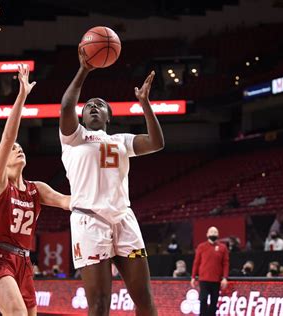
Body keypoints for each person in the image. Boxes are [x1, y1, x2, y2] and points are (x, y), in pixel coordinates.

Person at [59, 48, 164, 315]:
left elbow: (156, 143)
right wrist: (84, 70)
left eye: (100, 105)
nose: (93, 107)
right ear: (81, 117)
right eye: (89, 106)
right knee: (99, 305)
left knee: (146, 302)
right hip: (89, 221)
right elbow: (66, 105)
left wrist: (145, 104)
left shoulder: (120, 141)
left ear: (109, 116)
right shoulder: (74, 137)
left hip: (124, 220)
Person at [0, 64, 70, 316]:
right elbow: (7, 138)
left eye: (21, 147)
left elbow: (66, 202)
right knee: (16, 313)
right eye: (14, 149)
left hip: (24, 261)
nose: (18, 148)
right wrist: (21, 97)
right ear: (2, 160)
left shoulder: (36, 189)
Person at [191, 226, 229, 316]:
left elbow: (226, 263)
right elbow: (196, 262)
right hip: (204, 279)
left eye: (215, 232)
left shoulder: (223, 247)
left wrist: (225, 278)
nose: (213, 234)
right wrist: (193, 276)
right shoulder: (201, 247)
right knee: (203, 301)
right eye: (211, 232)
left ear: (218, 235)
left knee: (214, 302)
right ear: (207, 234)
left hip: (216, 280)